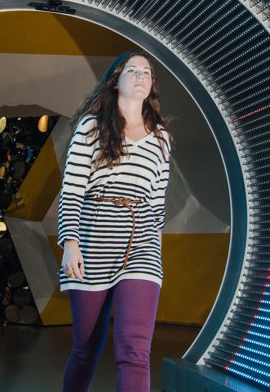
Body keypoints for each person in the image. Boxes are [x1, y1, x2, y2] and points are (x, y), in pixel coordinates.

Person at [58, 51, 172, 392]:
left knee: (135, 351)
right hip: (93, 240)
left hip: (141, 244)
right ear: (115, 79)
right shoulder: (91, 127)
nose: (140, 75)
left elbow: (157, 201)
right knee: (86, 347)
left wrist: (157, 258)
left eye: (146, 72)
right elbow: (73, 188)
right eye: (132, 70)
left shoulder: (162, 137)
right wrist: (70, 244)